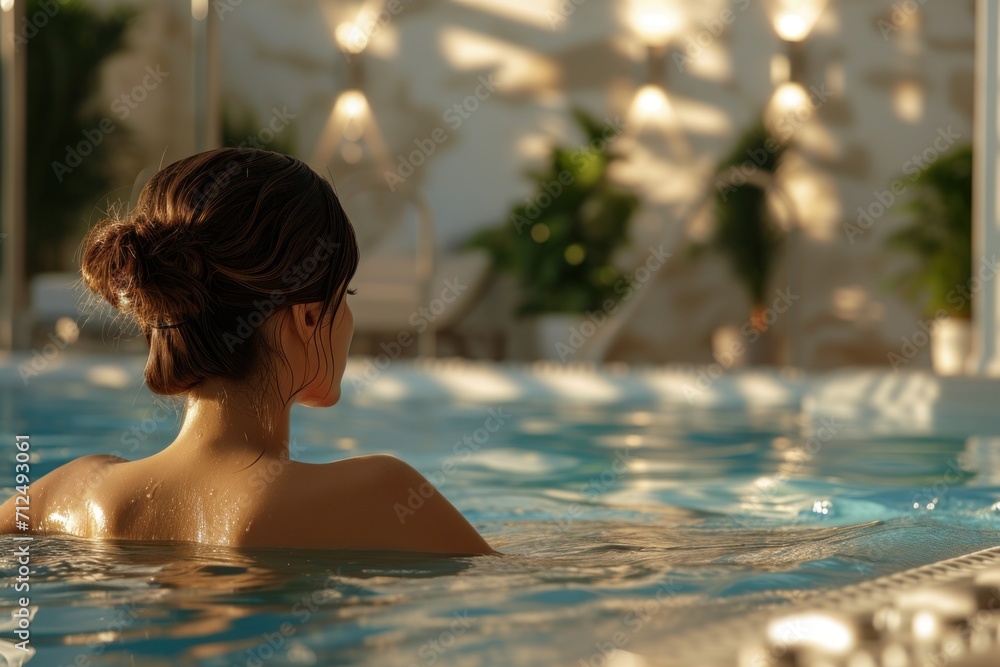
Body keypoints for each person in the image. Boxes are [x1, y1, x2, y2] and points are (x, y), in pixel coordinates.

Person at [0, 148, 495, 555]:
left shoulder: (70, 495)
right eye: (347, 296)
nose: (348, 318)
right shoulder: (380, 494)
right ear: (306, 315)